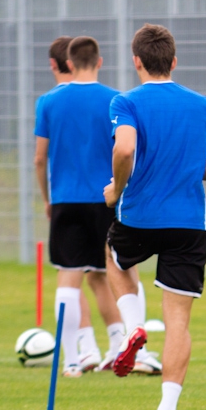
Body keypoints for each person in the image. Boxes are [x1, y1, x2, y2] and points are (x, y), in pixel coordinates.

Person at [104, 23, 206, 410]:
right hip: (189, 222)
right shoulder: (201, 104)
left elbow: (124, 148)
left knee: (114, 258)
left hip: (140, 215)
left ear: (136, 61)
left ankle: (132, 328)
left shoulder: (126, 101)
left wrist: (116, 187)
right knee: (178, 321)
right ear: (174, 62)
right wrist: (186, 169)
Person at [33, 36, 127, 377]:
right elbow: (124, 149)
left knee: (69, 278)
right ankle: (118, 348)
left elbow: (40, 158)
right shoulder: (116, 100)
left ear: (69, 64)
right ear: (100, 62)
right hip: (106, 198)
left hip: (66, 200)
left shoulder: (48, 101)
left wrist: (47, 198)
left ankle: (73, 359)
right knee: (108, 275)